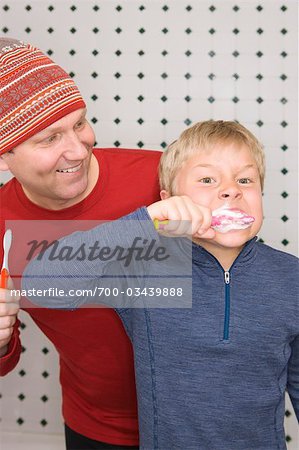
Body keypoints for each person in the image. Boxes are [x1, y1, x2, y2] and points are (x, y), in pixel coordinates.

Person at [23, 120, 299, 449]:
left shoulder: (290, 277)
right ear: (170, 198)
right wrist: (148, 220)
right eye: (208, 179)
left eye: (245, 180)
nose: (231, 189)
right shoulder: (148, 270)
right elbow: (42, 285)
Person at [0, 37, 162, 449]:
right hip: (94, 429)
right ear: (4, 157)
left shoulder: (161, 177)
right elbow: (6, 357)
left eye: (79, 123)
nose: (78, 149)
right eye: (48, 138)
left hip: (197, 421)